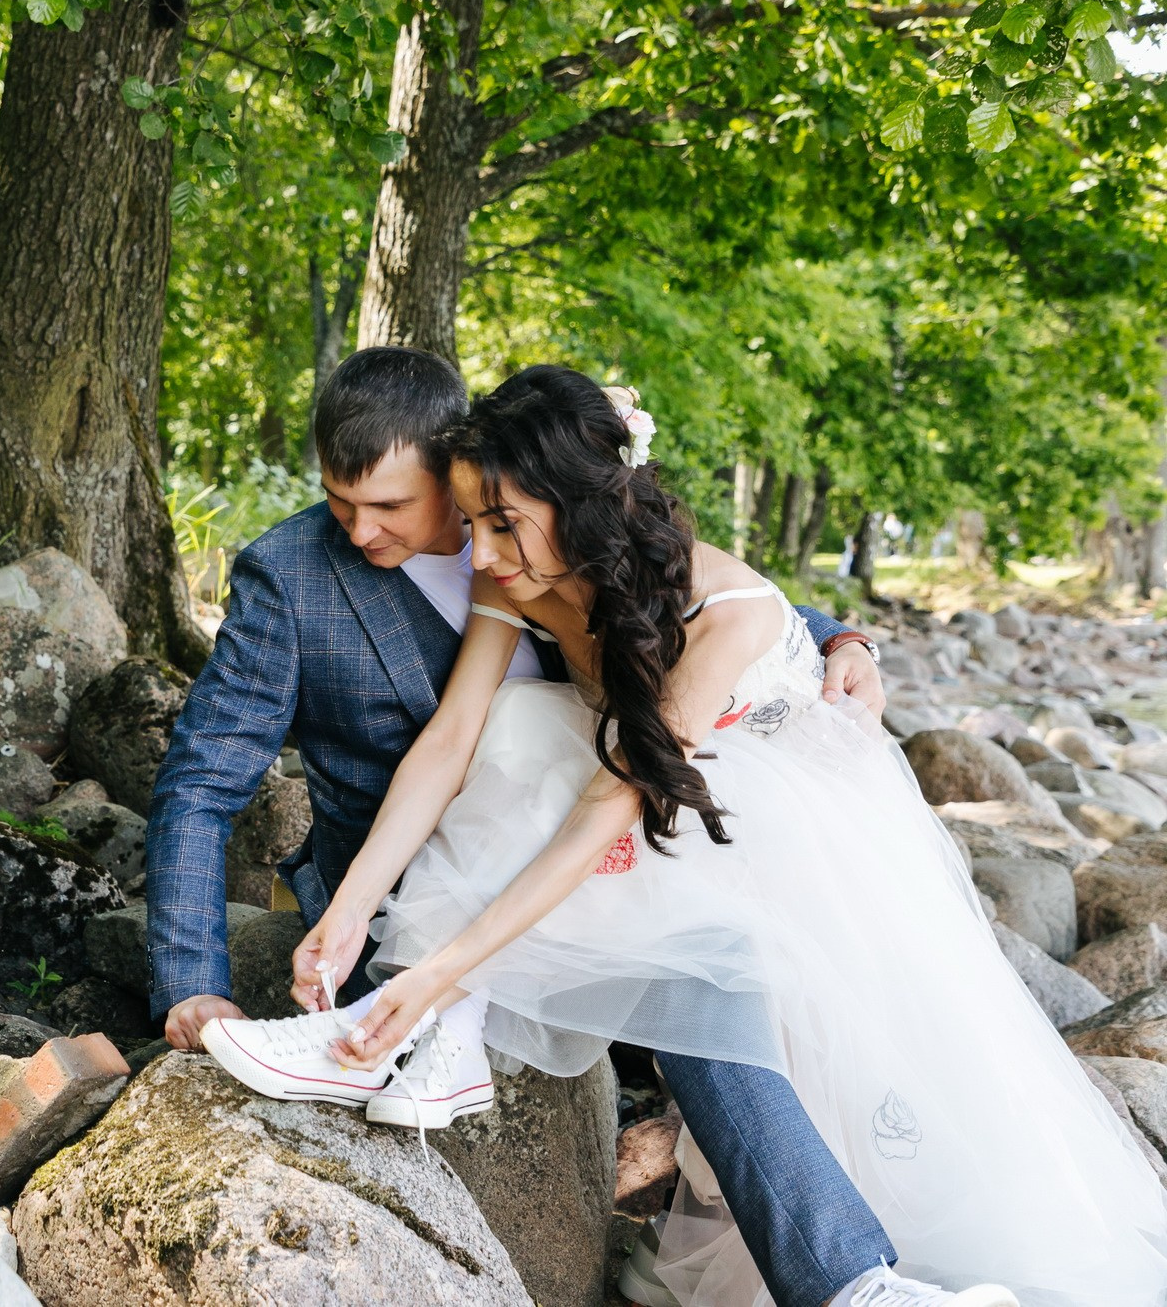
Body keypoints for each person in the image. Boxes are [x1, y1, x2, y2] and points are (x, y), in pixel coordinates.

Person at [205, 364, 1167, 1307]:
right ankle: (439, 1038)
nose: (482, 554)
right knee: (513, 727)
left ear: (576, 503)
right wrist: (354, 907)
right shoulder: (518, 567)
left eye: (502, 526)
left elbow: (613, 803)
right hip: (646, 788)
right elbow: (450, 740)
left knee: (758, 993)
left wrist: (440, 966)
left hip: (784, 816)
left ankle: (856, 1281)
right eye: (478, 524)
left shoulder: (727, 612)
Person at [148, 347, 898, 1307]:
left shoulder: (519, 510)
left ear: (454, 470)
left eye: (389, 506)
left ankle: (831, 1272)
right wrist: (195, 982)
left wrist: (843, 637)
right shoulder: (292, 578)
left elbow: (696, 598)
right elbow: (204, 777)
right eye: (340, 504)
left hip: (612, 834)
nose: (358, 531)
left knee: (702, 950)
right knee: (538, 758)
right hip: (418, 876)